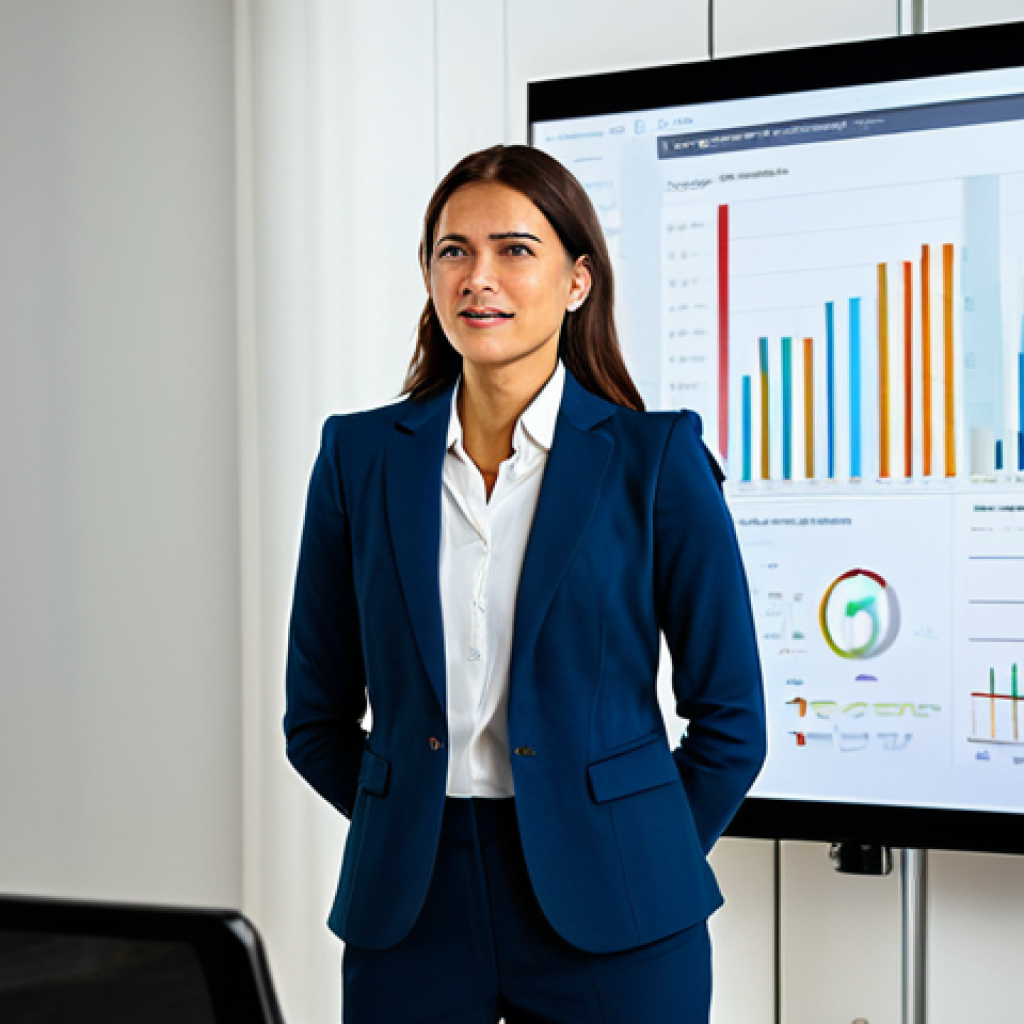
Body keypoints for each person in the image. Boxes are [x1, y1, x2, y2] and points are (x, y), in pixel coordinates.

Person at [284, 144, 766, 1024]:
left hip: (616, 911)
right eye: (453, 251)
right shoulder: (357, 459)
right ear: (429, 275)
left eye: (514, 249)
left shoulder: (656, 464)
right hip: (413, 909)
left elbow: (733, 720)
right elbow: (314, 720)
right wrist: (407, 825)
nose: (479, 277)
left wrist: (632, 849)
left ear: (577, 281)